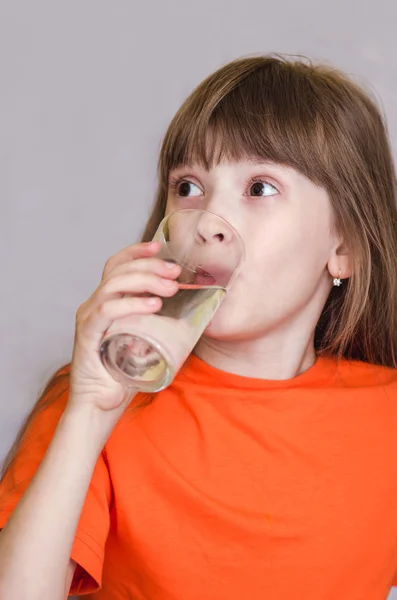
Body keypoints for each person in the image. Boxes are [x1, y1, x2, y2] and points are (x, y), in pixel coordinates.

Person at [0, 54, 397, 600]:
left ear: (344, 248)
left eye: (259, 188)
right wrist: (88, 417)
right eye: (188, 187)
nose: (210, 223)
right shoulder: (94, 401)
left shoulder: (387, 419)